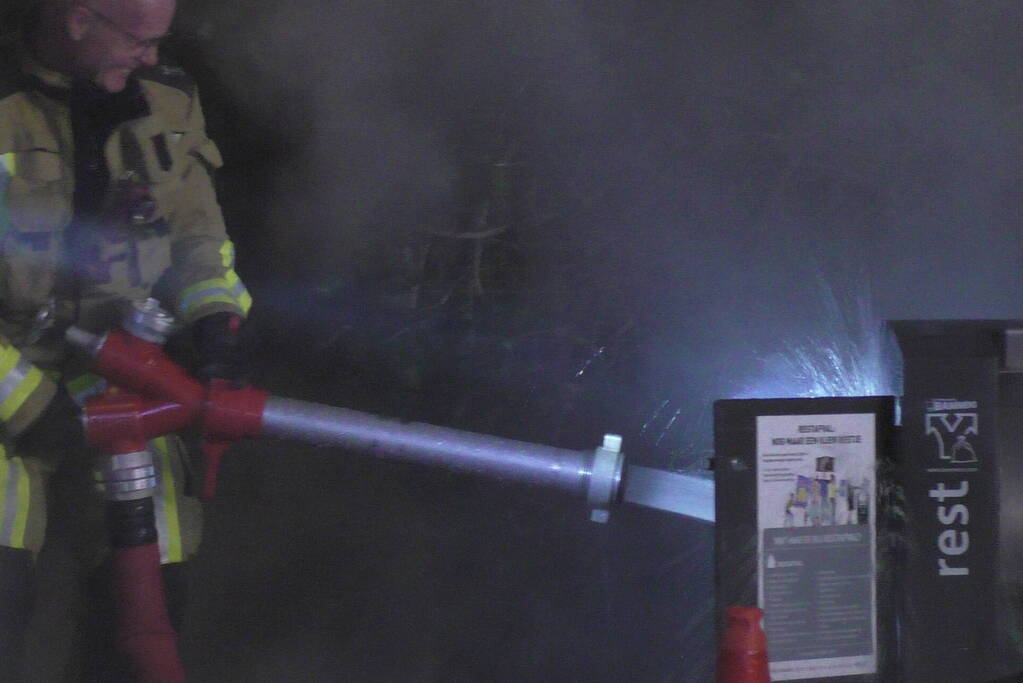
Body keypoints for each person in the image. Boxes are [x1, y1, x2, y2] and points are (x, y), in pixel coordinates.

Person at [0, 0, 251, 678]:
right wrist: (30, 405)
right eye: (138, 40)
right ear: (79, 19)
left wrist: (215, 318)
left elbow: (198, 232)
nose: (152, 57)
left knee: (151, 589)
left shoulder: (167, 96)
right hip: (9, 373)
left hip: (117, 373)